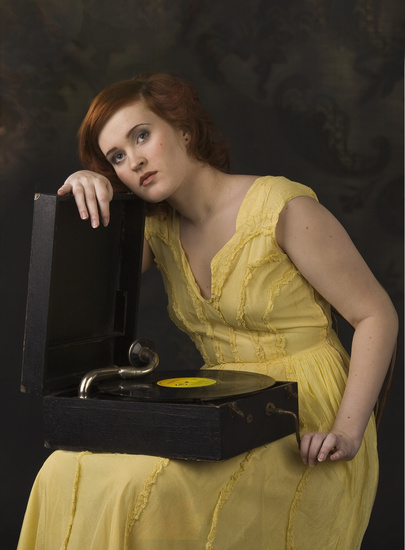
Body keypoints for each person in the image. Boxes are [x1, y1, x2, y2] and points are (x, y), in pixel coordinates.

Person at [18, 73, 398, 550]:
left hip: (308, 412)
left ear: (183, 129)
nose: (134, 160)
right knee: (62, 469)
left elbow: (376, 315)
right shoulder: (156, 232)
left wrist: (348, 430)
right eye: (116, 157)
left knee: (141, 490)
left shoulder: (281, 208)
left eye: (141, 135)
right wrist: (81, 189)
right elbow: (82, 291)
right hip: (224, 408)